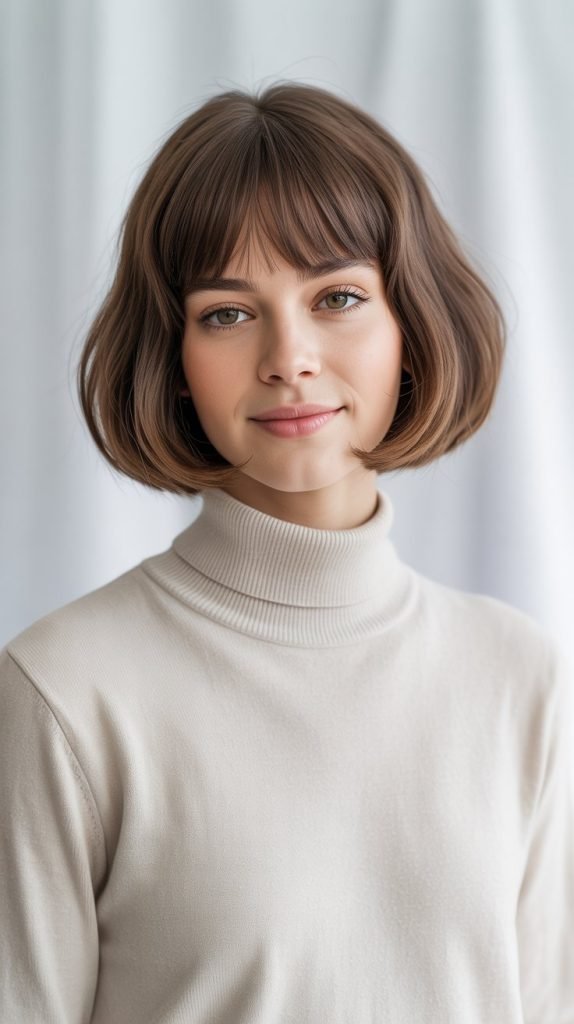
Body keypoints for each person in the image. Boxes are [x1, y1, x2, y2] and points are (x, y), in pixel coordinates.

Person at [0, 81, 572, 1023]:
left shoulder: (522, 682)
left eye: (339, 296)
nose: (290, 355)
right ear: (172, 356)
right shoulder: (65, 691)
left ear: (410, 327)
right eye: (227, 312)